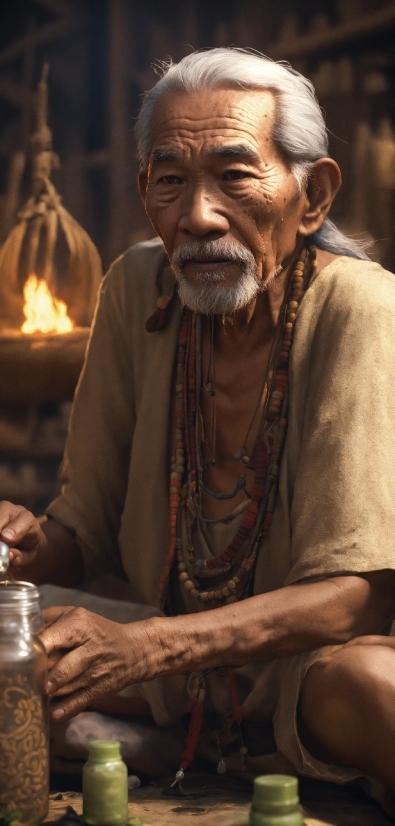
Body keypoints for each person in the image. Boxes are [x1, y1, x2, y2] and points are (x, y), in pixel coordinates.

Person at [1, 48, 395, 804]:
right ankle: (193, 746)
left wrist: (150, 648)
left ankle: (169, 745)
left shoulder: (360, 309)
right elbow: (79, 541)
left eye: (233, 176)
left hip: (309, 673)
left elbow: (355, 599)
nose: (197, 215)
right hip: (176, 673)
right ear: (145, 190)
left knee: (367, 683)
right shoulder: (135, 290)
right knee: (15, 634)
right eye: (170, 180)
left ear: (312, 196)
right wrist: (19, 550)